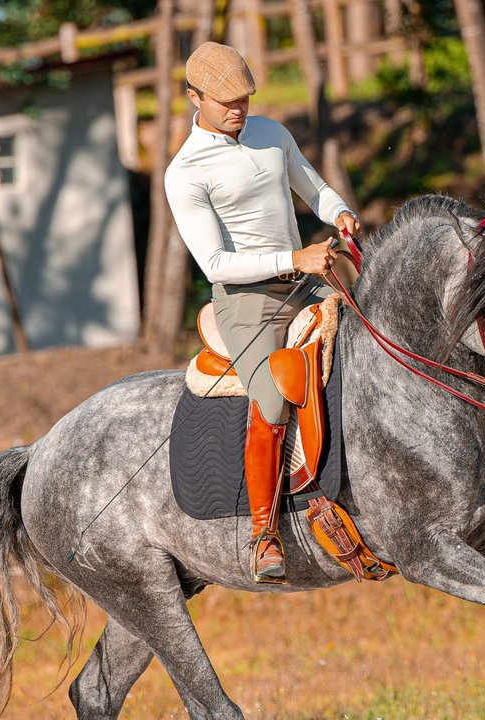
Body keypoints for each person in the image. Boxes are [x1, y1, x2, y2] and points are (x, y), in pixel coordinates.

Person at [165, 41, 360, 584]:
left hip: (304, 281)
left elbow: (313, 187)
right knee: (273, 394)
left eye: (244, 98)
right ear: (193, 98)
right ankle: (263, 532)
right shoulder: (184, 172)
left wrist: (339, 212)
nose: (238, 109)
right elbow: (214, 262)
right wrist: (295, 256)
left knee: (372, 337)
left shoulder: (273, 133)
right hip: (247, 304)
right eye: (225, 100)